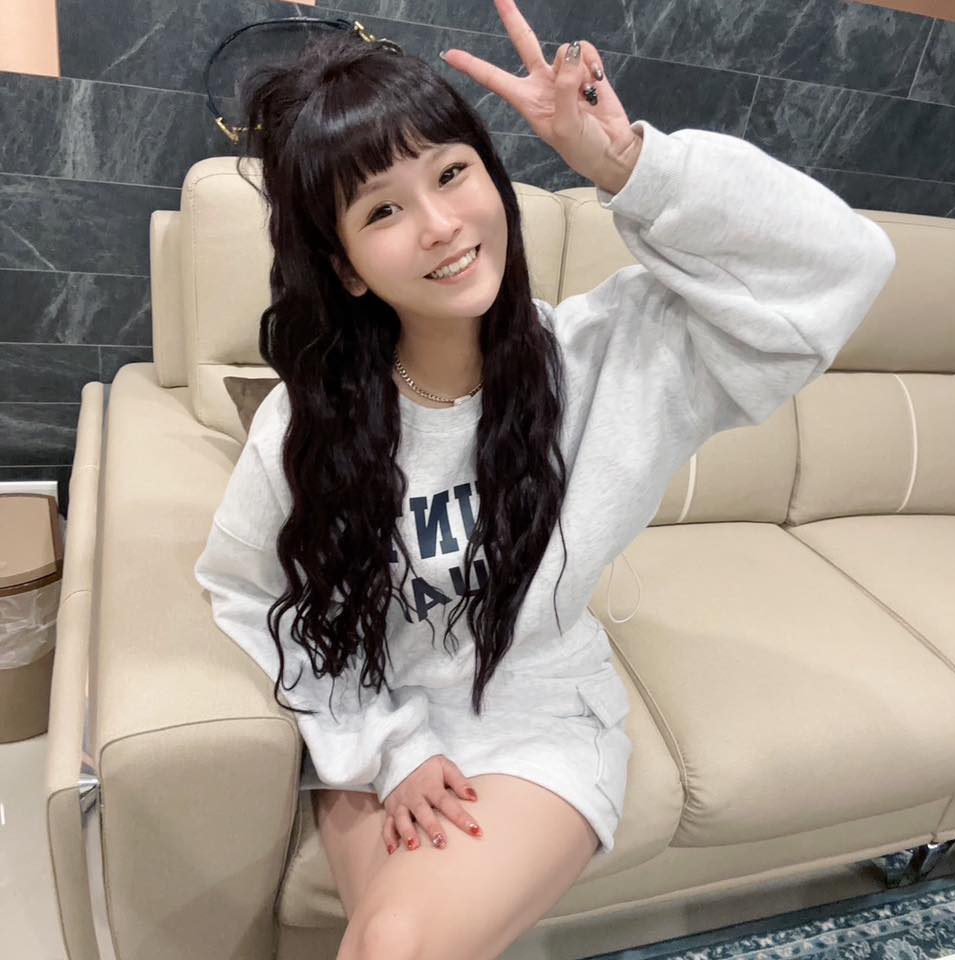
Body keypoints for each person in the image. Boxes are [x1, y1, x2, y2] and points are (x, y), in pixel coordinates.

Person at [193, 1, 896, 956]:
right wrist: (388, 747)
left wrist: (627, 165)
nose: (441, 225)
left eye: (453, 173)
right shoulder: (309, 424)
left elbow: (846, 265)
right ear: (347, 267)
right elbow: (248, 589)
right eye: (383, 210)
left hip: (534, 713)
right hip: (373, 720)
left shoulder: (617, 358)